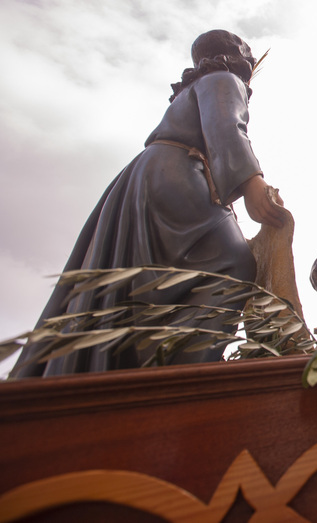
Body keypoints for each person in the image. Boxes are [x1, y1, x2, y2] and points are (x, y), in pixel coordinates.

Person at [14, 30, 284, 378]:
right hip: (179, 173)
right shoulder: (223, 79)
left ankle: (150, 357)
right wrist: (252, 182)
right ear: (236, 54)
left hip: (147, 175)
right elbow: (226, 127)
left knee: (145, 283)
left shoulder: (190, 90)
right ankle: (178, 378)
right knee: (234, 263)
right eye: (246, 52)